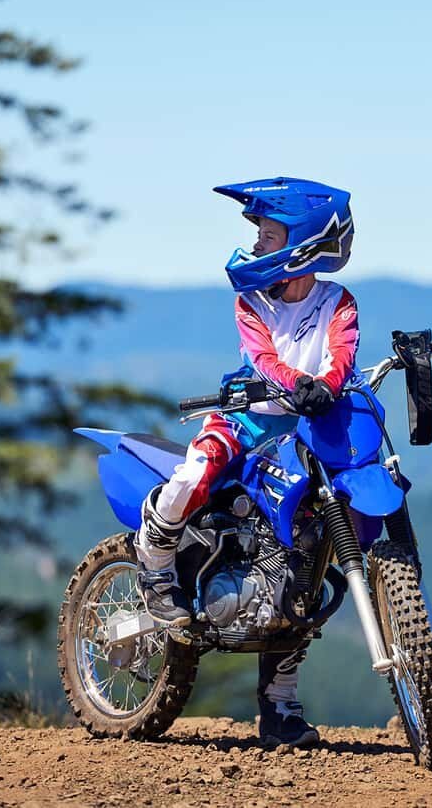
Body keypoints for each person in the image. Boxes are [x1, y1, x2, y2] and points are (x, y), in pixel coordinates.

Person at [134, 177, 359, 748]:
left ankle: (279, 706)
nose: (258, 244)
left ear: (303, 243)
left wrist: (326, 386)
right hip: (245, 420)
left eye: (269, 234)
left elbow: (343, 353)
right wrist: (297, 381)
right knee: (197, 469)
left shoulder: (338, 302)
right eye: (259, 234)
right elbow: (261, 358)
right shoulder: (252, 301)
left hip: (308, 429)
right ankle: (156, 558)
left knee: (305, 563)